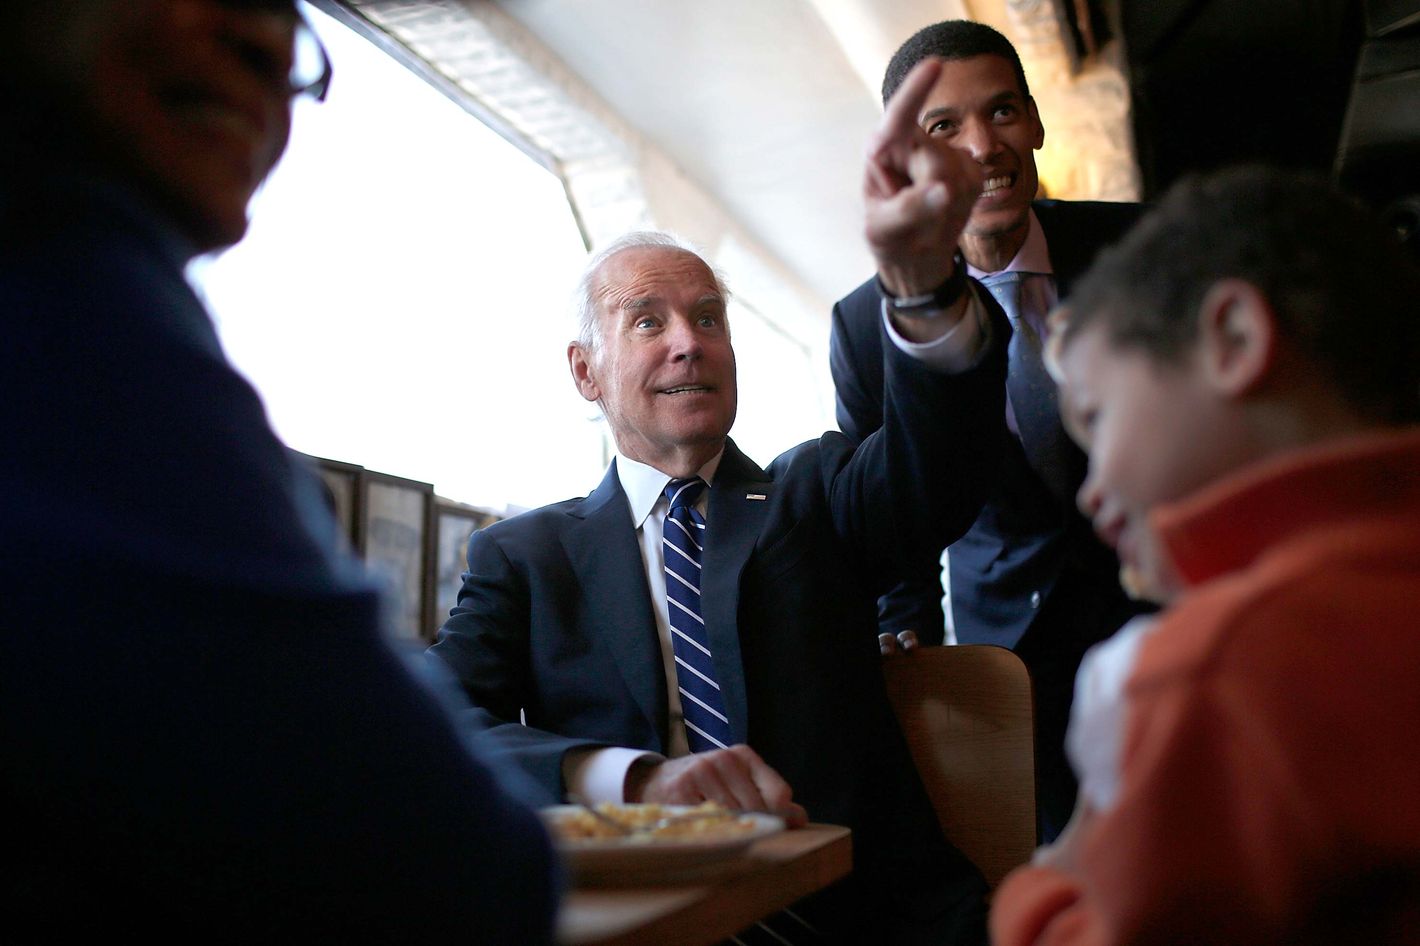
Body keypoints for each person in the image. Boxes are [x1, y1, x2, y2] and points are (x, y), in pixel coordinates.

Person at [1, 2, 557, 942]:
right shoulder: (72, 300)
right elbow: (443, 864)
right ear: (582, 369)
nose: (262, 40)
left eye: (284, 16)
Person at [429, 58, 998, 945]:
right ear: (586, 371)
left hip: (858, 920)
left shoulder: (813, 492)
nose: (689, 344)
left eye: (708, 317)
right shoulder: (525, 558)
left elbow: (940, 470)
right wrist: (627, 780)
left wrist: (924, 295)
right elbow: (442, 726)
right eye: (648, 321)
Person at [990, 165, 1420, 944]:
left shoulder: (1218, 667)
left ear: (1234, 339)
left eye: (1097, 417)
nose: (1092, 490)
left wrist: (1050, 877)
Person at [828, 19, 1150, 840]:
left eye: (1002, 112)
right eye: (945, 127)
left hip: (1161, 624)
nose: (985, 145)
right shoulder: (868, 325)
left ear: (1037, 122)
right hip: (1007, 663)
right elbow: (889, 516)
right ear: (907, 156)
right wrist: (907, 644)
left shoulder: (1142, 249)